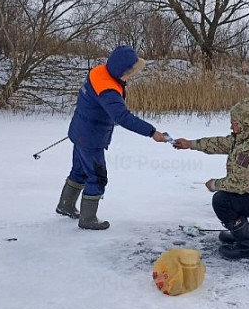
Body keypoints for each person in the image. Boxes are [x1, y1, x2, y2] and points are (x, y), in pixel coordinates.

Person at [55, 45, 167, 230]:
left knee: (80, 170)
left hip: (81, 130)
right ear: (122, 70)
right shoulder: (108, 90)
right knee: (97, 177)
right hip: (90, 138)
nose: (132, 74)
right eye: (131, 71)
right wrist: (152, 132)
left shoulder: (99, 71)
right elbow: (122, 117)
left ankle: (65, 205)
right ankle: (88, 219)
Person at [173, 99, 249, 259]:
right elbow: (225, 143)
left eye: (234, 123)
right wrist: (191, 144)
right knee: (228, 198)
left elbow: (238, 184)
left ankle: (247, 245)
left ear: (244, 123)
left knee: (222, 200)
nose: (231, 127)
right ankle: (239, 232)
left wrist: (215, 184)